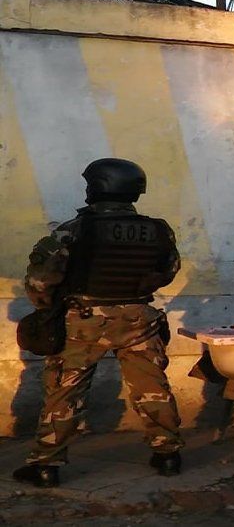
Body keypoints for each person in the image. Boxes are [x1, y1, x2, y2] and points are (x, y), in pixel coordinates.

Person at [13, 158, 185, 488]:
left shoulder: (74, 230)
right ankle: (168, 456)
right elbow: (167, 271)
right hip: (138, 319)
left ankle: (46, 465)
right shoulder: (158, 229)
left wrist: (48, 307)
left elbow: (40, 280)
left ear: (97, 188)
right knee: (152, 387)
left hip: (83, 321)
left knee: (65, 392)